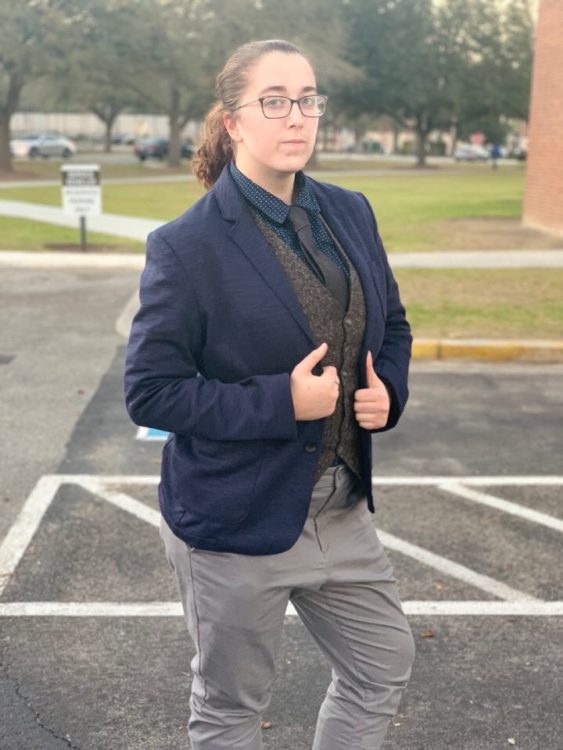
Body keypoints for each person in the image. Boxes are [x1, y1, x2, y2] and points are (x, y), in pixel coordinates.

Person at [124, 38, 415, 750]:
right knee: (230, 707)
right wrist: (279, 401)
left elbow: (394, 326)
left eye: (308, 100)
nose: (297, 118)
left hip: (337, 506)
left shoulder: (349, 212)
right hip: (234, 519)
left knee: (382, 665)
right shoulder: (186, 246)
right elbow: (150, 392)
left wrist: (388, 394)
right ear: (234, 122)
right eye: (275, 102)